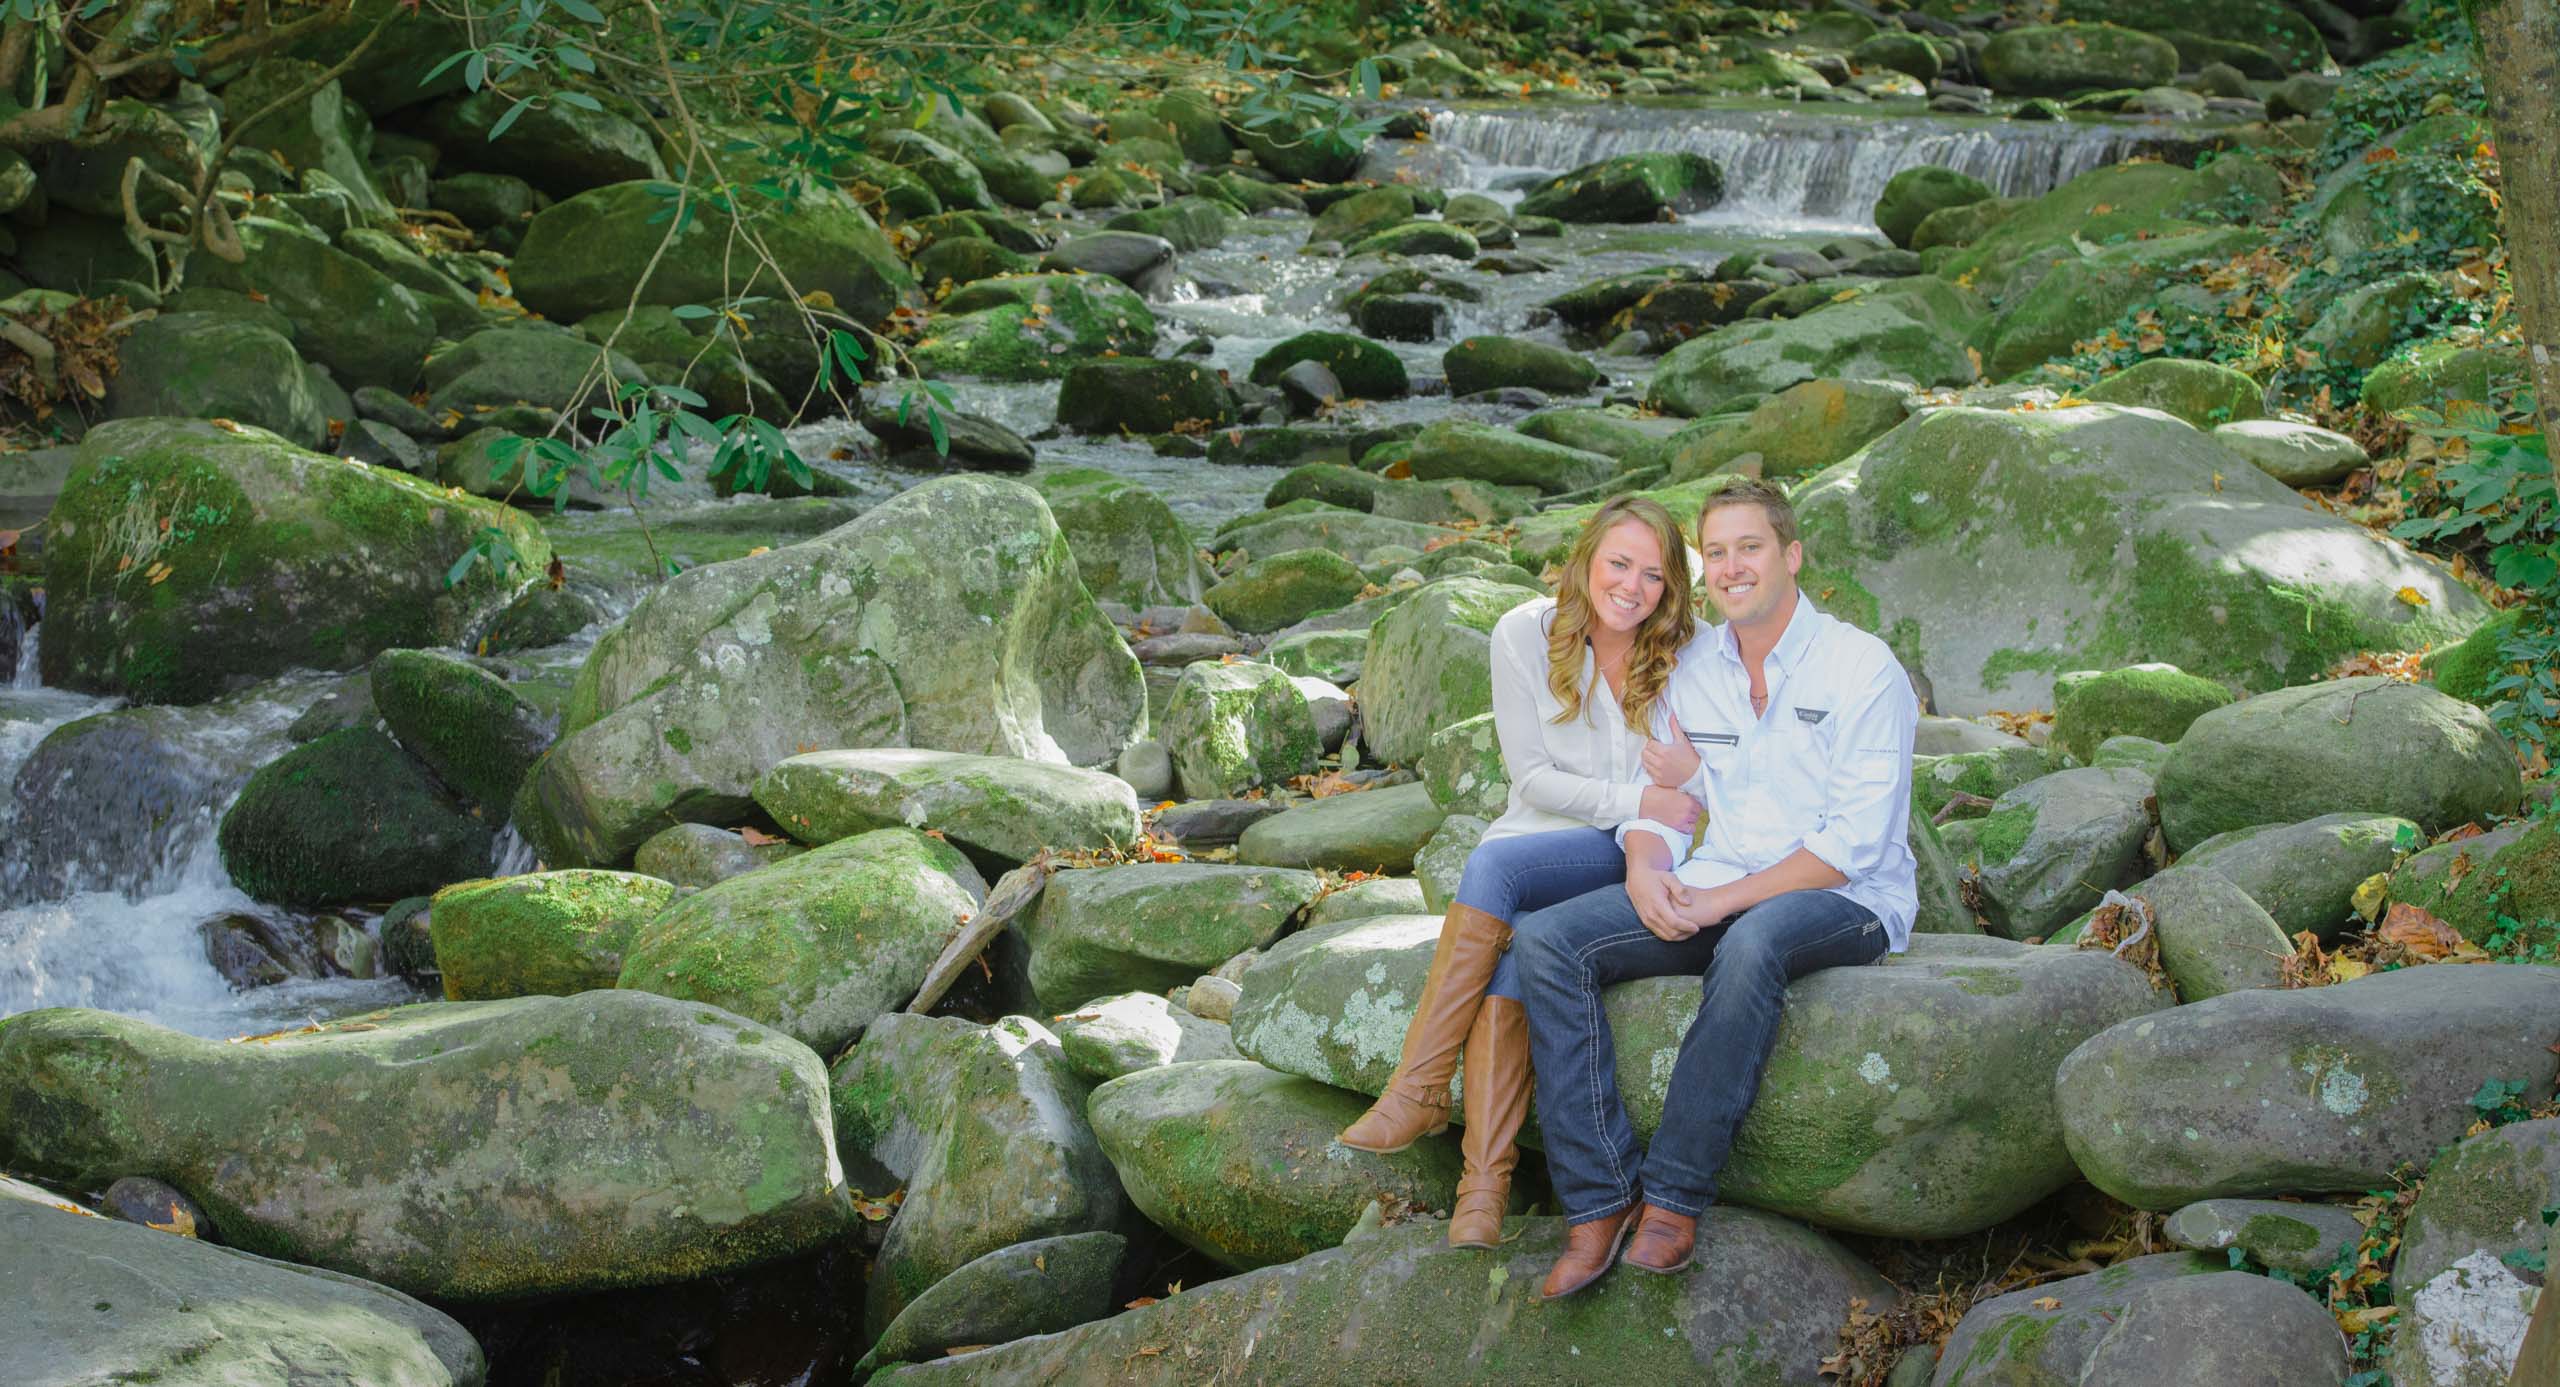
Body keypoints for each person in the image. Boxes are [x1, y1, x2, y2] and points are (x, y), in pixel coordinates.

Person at [1509, 478, 1920, 1299]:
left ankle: (1672, 1199)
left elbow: (1851, 846)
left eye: (1751, 547)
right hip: (1715, 878)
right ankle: (1596, 1199)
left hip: (1850, 897)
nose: (1732, 567)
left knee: (1754, 940)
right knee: (1547, 941)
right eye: (1718, 552)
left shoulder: (1861, 669)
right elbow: (1669, 805)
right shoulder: (1691, 668)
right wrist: (1644, 867)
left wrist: (1722, 902)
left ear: (1792, 555)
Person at [1337, 496, 1704, 1249]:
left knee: (1493, 864)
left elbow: (1683, 795)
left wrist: (1646, 806)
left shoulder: (1682, 652)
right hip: (1543, 841)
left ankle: (1421, 1091)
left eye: (1653, 575)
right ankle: (1483, 1189)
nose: (1633, 587)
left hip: (1630, 848)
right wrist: (1642, 789)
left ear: (1671, 587)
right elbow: (1532, 780)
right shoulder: (1523, 635)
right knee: (1522, 934)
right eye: (1617, 564)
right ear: (1584, 559)